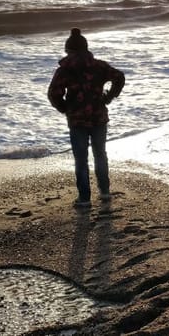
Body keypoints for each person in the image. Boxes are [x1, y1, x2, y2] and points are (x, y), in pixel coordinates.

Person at [48, 28, 125, 207]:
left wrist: (65, 108)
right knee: (100, 155)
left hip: (77, 120)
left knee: (81, 159)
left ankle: (84, 199)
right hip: (98, 116)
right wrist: (109, 97)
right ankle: (105, 192)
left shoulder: (65, 70)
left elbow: (53, 93)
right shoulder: (98, 66)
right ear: (86, 48)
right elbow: (119, 77)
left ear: (69, 50)